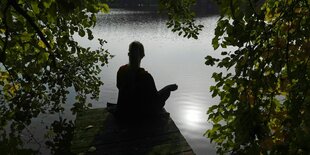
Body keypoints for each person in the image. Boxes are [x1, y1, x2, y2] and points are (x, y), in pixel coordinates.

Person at [116, 41, 178, 120]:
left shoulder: (121, 70)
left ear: (128, 54)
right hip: (138, 115)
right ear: (142, 56)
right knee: (166, 92)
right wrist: (167, 88)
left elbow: (119, 87)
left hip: (122, 111)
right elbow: (155, 98)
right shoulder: (146, 77)